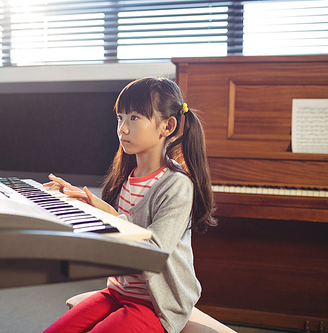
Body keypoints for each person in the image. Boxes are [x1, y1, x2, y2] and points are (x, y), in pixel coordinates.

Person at [42, 77, 216, 333]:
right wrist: (80, 202)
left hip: (156, 305)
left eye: (134, 118)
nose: (122, 129)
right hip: (117, 292)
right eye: (120, 118)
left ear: (167, 126)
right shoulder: (127, 177)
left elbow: (153, 251)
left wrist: (107, 215)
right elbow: (119, 228)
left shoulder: (176, 185)